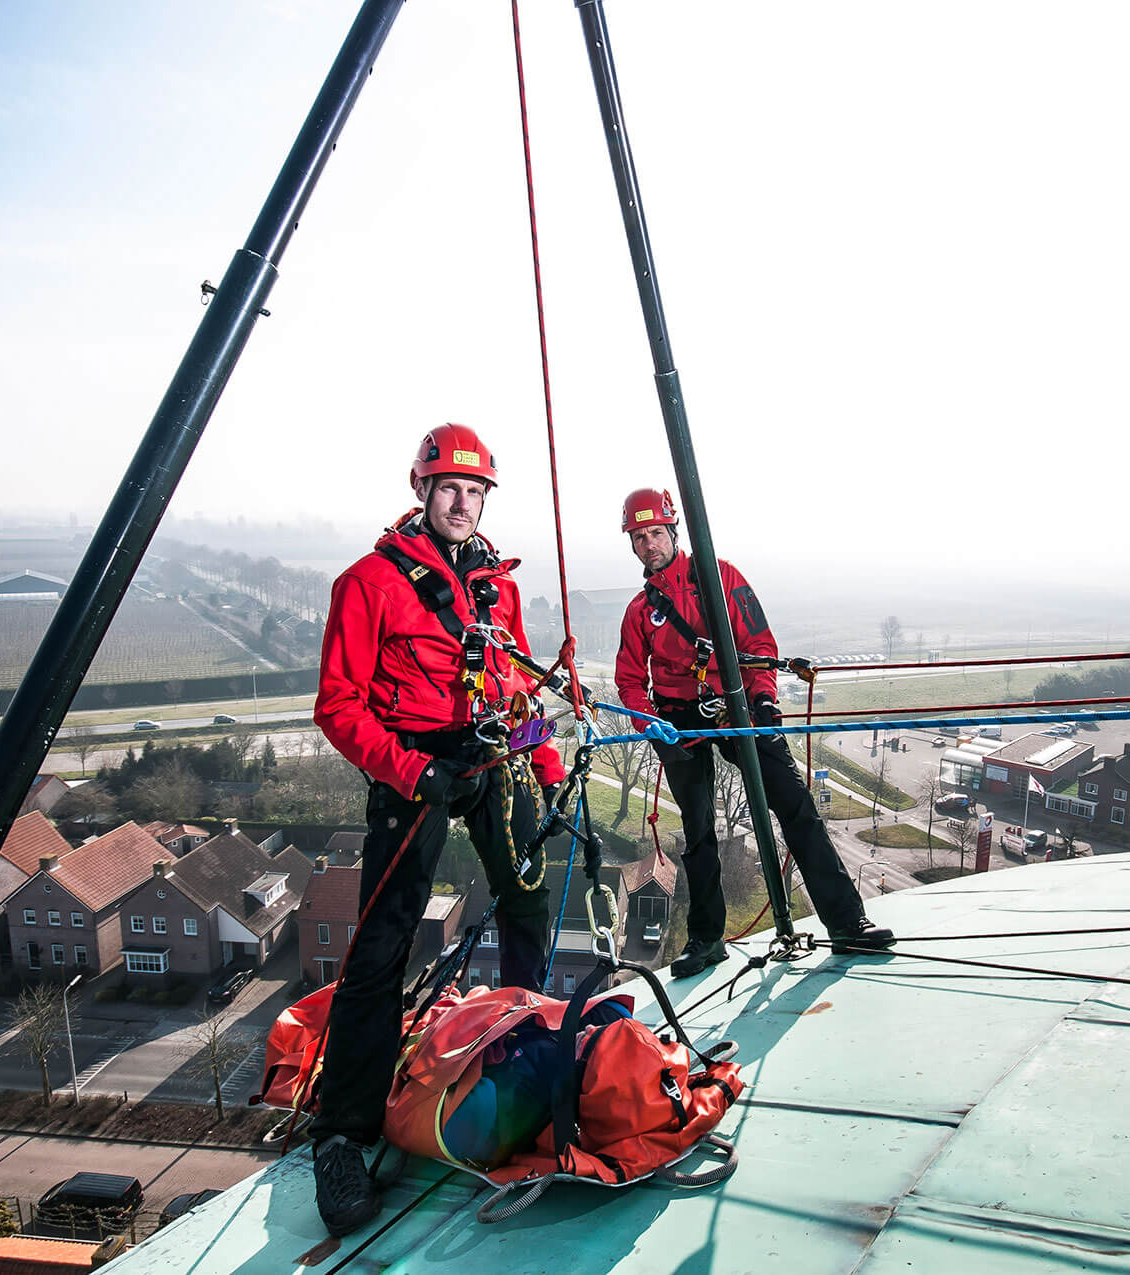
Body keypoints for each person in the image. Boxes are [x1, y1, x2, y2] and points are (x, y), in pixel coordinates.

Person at [308, 423, 566, 1235]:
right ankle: (342, 1136)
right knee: (382, 941)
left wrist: (547, 763)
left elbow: (518, 683)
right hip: (411, 763)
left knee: (528, 904)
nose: (464, 502)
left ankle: (527, 1071)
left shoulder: (499, 585)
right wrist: (414, 771)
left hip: (490, 754)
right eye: (451, 488)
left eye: (477, 491)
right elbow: (338, 705)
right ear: (422, 491)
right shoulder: (370, 582)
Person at [613, 487, 894, 978]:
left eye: (655, 532)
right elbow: (630, 679)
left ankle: (847, 921)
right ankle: (706, 939)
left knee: (795, 806)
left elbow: (759, 644)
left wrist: (763, 701)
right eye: (638, 537)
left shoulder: (721, 578)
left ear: (673, 532)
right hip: (678, 719)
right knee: (698, 834)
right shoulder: (641, 611)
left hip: (736, 706)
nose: (648, 544)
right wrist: (651, 723)